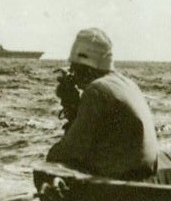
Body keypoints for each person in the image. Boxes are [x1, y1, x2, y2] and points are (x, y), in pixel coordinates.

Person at [46, 27, 159, 180]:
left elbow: (69, 150)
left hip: (120, 181)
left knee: (48, 169)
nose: (73, 73)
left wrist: (70, 104)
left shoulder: (96, 90)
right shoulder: (128, 83)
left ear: (85, 68)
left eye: (75, 68)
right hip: (143, 174)